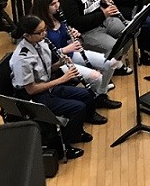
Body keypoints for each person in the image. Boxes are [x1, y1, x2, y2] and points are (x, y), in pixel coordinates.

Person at [10, 15, 100, 160]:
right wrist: (62, 79)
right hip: (34, 98)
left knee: (86, 95)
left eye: (44, 29)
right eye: (40, 32)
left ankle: (76, 132)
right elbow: (31, 89)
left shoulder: (40, 43)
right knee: (78, 107)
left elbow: (45, 71)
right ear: (27, 35)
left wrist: (59, 63)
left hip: (47, 86)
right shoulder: (22, 59)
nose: (44, 34)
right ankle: (63, 145)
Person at [31, 0, 121, 109]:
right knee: (97, 77)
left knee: (112, 63)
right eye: (53, 4)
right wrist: (66, 49)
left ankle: (100, 94)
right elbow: (44, 55)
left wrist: (71, 33)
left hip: (70, 54)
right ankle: (95, 100)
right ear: (43, 6)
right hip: (57, 63)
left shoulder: (57, 15)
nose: (57, 6)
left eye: (58, 1)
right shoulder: (38, 26)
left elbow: (63, 33)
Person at [57, 0, 129, 73]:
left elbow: (98, 2)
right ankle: (106, 69)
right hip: (87, 31)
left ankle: (115, 61)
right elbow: (76, 22)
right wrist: (103, 14)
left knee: (130, 31)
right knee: (114, 46)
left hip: (103, 20)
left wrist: (105, 1)